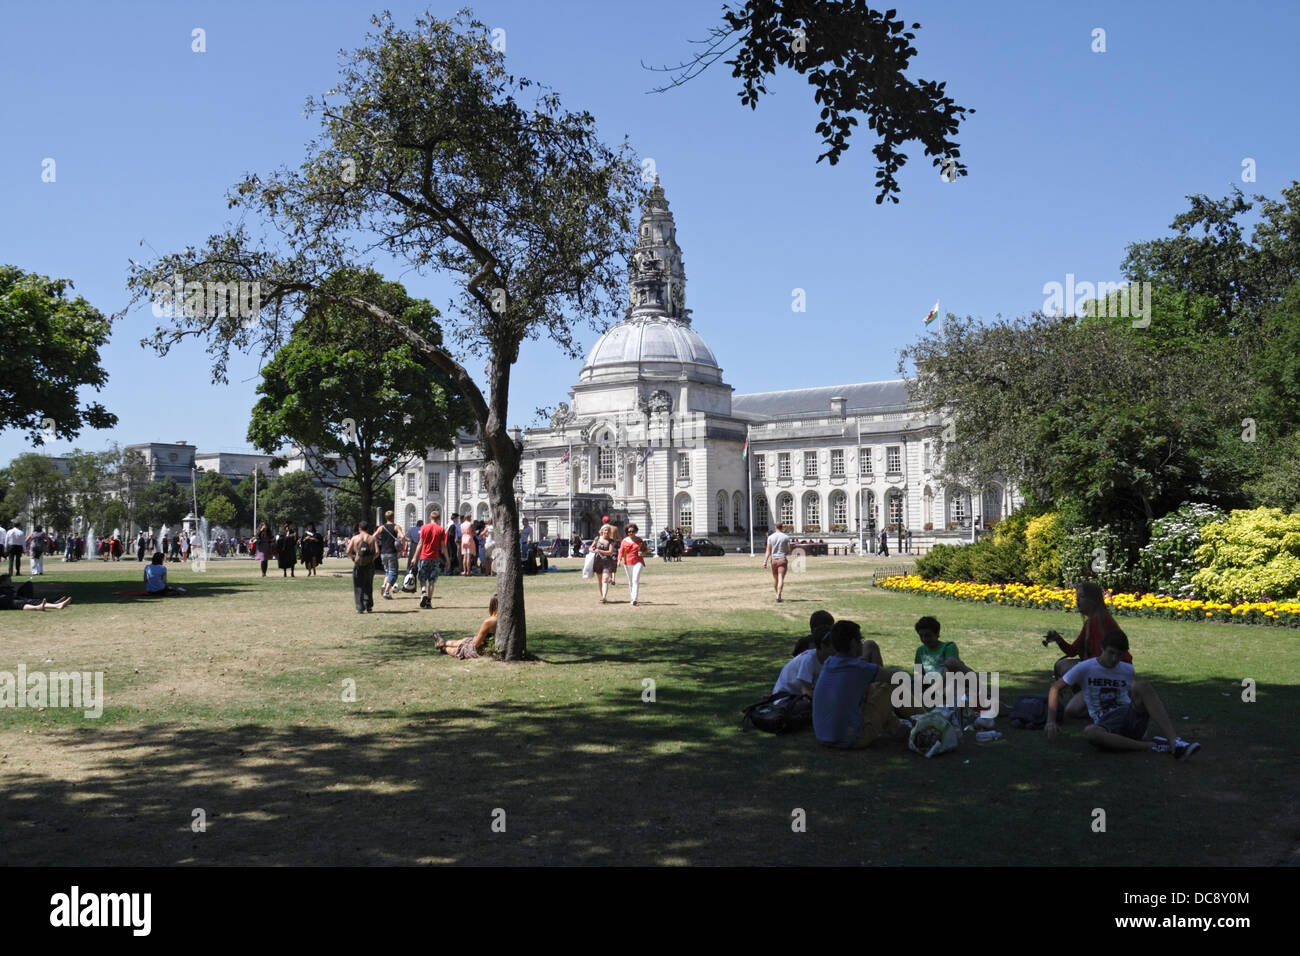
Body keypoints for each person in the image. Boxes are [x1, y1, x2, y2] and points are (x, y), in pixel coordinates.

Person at [1046, 629, 1200, 759]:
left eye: (1119, 655)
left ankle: (1174, 742)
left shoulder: (1127, 669)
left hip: (1127, 715)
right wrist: (1051, 721)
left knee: (1142, 686)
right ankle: (1150, 746)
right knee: (1090, 732)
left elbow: (1131, 695)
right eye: (1111, 653)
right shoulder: (1085, 667)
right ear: (1102, 648)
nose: (1114, 659)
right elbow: (1055, 687)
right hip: (1105, 723)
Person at [812, 621, 911, 749]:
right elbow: (898, 677)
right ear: (853, 643)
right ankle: (926, 720)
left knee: (875, 692)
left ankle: (900, 730)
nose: (862, 643)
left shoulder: (829, 663)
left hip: (823, 736)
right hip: (852, 739)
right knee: (891, 686)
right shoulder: (859, 668)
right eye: (860, 640)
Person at [1043, 581, 1130, 721]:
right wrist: (1058, 639)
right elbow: (1073, 651)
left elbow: (1104, 658)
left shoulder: (1100, 620)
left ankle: (1102, 703)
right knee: (1062, 665)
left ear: (1093, 600)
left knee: (1071, 711)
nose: (1077, 600)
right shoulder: (1092, 621)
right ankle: (1092, 699)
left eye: (1081, 597)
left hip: (1109, 671)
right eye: (1077, 597)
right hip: (1100, 668)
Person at [773, 626, 833, 700]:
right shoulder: (808, 660)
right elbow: (806, 692)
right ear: (823, 646)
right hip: (785, 700)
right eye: (834, 645)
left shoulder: (828, 658)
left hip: (797, 697)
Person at [434, 596, 499, 660]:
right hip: (485, 646)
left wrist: (474, 639)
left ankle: (444, 649)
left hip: (481, 649)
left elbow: (476, 644)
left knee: (461, 648)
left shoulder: (490, 621)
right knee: (465, 640)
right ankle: (443, 642)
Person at [346, 521, 380, 614]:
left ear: (359, 528)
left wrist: (354, 558)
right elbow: (377, 552)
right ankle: (368, 606)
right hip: (369, 564)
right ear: (368, 529)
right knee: (368, 584)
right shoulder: (372, 538)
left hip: (358, 564)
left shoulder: (355, 538)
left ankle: (359, 607)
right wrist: (372, 558)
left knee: (358, 585)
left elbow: (348, 551)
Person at [416, 508, 447, 609]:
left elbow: (420, 544)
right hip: (435, 557)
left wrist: (414, 557)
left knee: (422, 577)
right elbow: (443, 546)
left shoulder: (424, 528)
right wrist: (447, 559)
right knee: (432, 580)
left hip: (424, 556)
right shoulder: (441, 529)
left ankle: (423, 591)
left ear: (430, 517)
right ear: (439, 518)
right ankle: (429, 601)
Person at [0, 574, 72, 611]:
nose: (11, 582)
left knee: (29, 591)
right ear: (3, 581)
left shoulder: (8, 588)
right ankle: (55, 605)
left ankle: (55, 603)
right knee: (20, 602)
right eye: (8, 580)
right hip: (8, 601)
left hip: (13, 599)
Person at [618, 522, 648, 606]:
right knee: (630, 581)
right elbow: (621, 551)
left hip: (638, 562)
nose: (631, 533)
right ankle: (632, 598)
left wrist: (643, 553)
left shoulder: (639, 540)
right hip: (627, 562)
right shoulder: (624, 541)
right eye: (629, 531)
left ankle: (635, 599)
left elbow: (645, 550)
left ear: (635, 531)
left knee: (635, 580)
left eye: (632, 531)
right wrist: (619, 560)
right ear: (627, 532)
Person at [376, 511, 403, 599]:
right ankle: (387, 592)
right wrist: (401, 548)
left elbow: (373, 536)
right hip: (392, 552)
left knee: (387, 571)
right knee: (393, 573)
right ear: (393, 517)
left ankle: (384, 585)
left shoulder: (381, 527)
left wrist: (376, 545)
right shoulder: (396, 526)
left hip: (383, 553)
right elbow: (402, 537)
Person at [762, 522, 792, 602]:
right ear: (782, 527)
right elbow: (789, 550)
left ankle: (777, 594)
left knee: (775, 579)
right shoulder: (786, 537)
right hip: (782, 559)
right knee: (781, 578)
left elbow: (768, 551)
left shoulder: (770, 537)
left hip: (773, 560)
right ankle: (779, 595)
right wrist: (785, 553)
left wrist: (765, 561)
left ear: (775, 527)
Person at [591, 524, 617, 603]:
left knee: (605, 579)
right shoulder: (597, 538)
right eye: (605, 530)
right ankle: (603, 597)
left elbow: (610, 552)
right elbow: (590, 548)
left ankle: (604, 597)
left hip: (607, 562)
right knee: (600, 581)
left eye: (608, 530)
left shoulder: (611, 541)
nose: (607, 532)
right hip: (598, 562)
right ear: (602, 531)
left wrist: (600, 551)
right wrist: (593, 550)